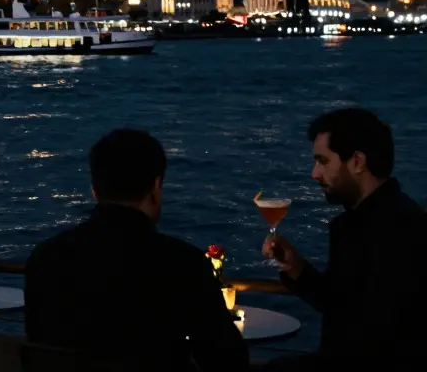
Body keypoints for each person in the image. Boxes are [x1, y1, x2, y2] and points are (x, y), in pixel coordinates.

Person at [24, 128, 247, 372]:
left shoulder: (46, 258)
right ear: (156, 186)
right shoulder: (183, 265)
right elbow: (228, 360)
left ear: (95, 190)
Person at [263, 108, 427, 371]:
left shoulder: (398, 230)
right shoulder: (369, 221)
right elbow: (345, 305)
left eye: (323, 161)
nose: (314, 174)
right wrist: (296, 267)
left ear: (358, 162)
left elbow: (375, 338)